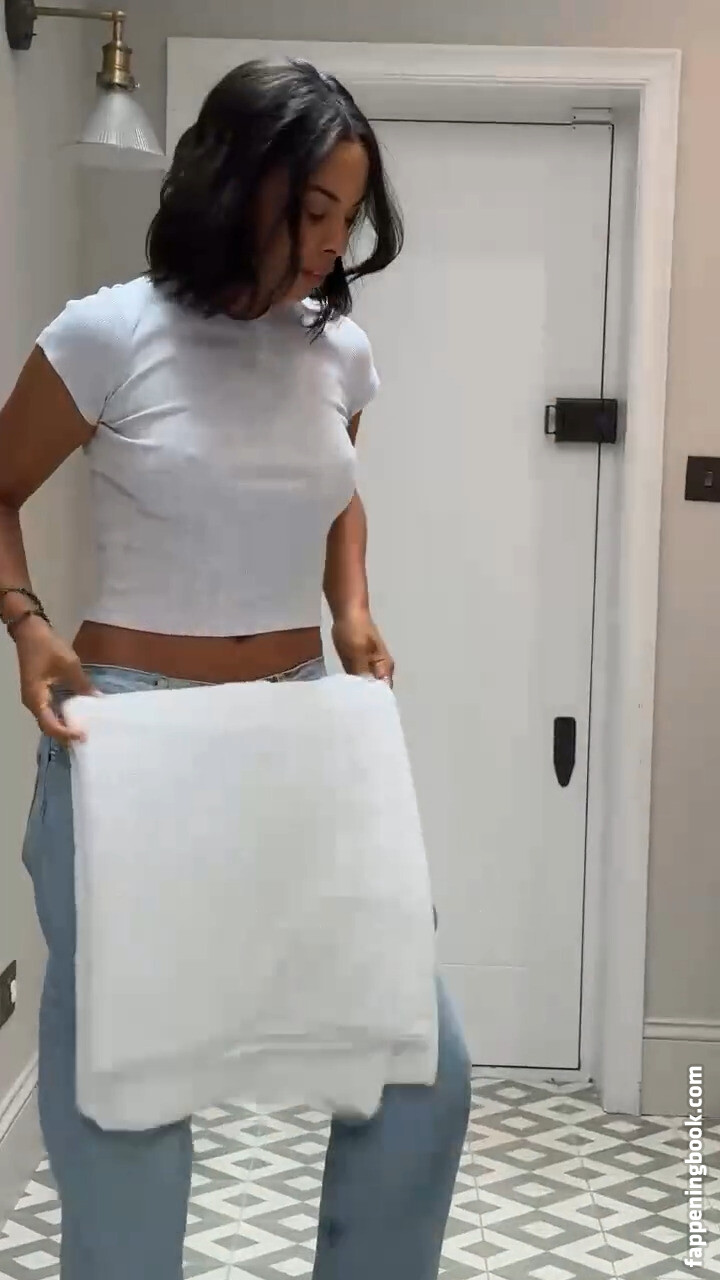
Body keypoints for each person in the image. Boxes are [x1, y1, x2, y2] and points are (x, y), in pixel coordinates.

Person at [0, 59, 471, 1280]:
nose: (329, 244)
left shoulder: (338, 353)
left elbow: (334, 490)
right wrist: (26, 621)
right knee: (129, 1097)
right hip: (131, 740)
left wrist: (350, 607)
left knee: (420, 1063)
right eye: (310, 209)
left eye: (344, 218)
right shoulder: (107, 333)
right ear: (234, 182)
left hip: (303, 733)